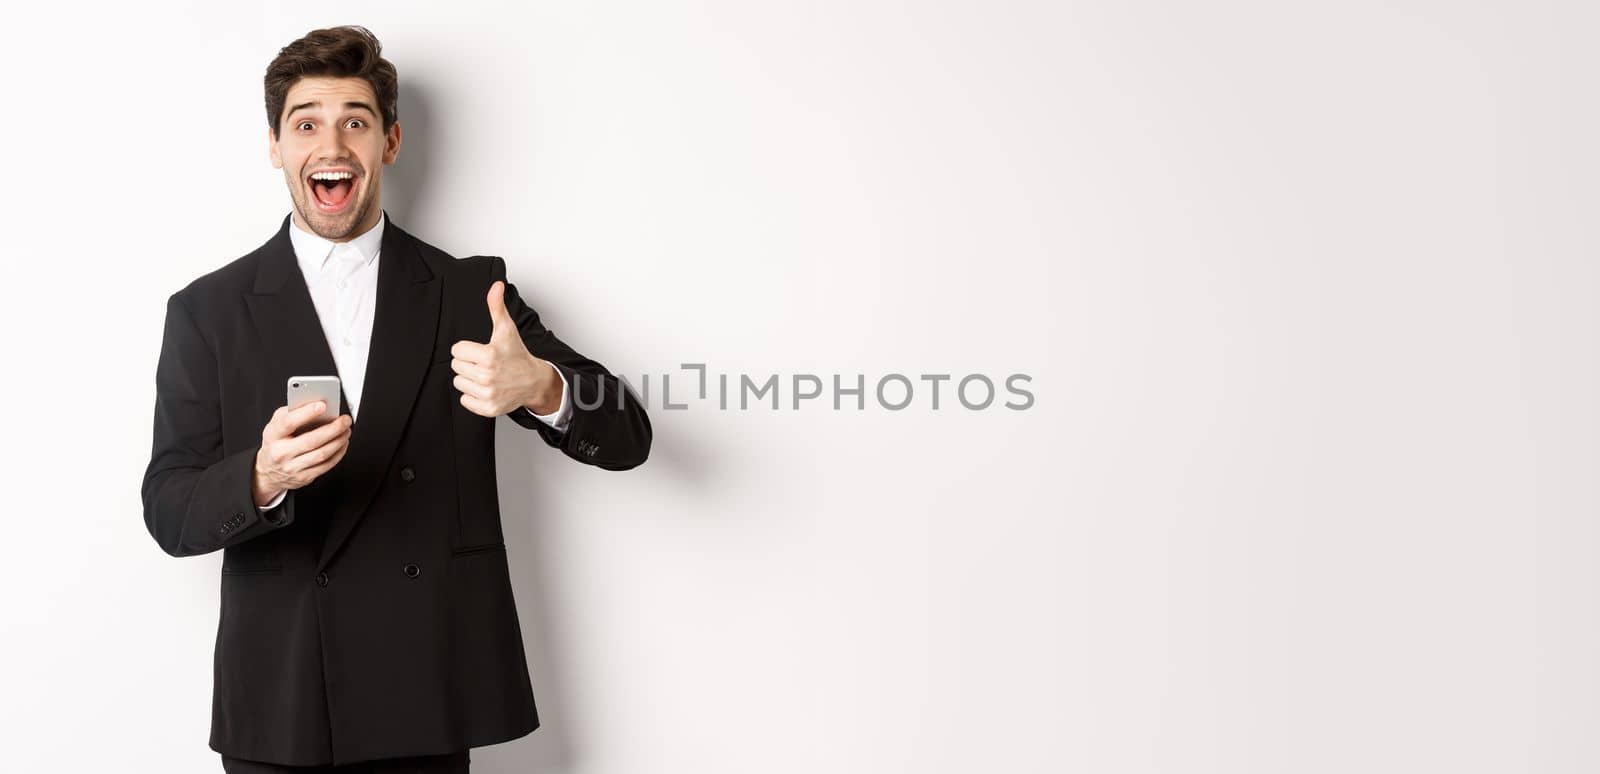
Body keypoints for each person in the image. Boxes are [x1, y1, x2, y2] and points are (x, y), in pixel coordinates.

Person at [139, 25, 652, 772]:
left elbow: (629, 434)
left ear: (391, 141)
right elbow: (168, 508)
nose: (331, 143)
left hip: (426, 690)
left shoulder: (471, 294)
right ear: (276, 146)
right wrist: (262, 478)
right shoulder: (208, 311)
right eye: (306, 122)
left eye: (356, 120)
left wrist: (543, 387)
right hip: (282, 703)